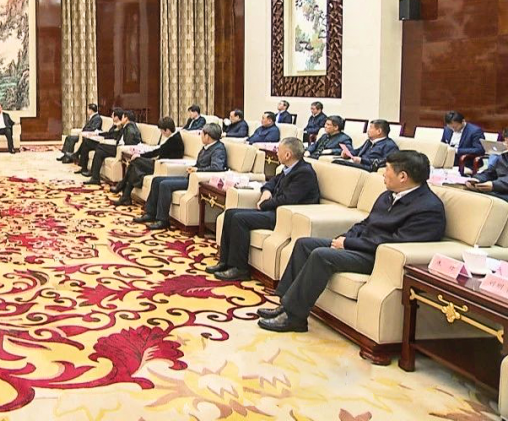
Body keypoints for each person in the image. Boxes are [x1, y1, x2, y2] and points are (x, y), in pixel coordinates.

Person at [259, 151, 445, 332]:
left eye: (387, 170)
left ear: (403, 176)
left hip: (378, 258)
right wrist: (345, 238)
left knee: (321, 255)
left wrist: (349, 244)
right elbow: (366, 223)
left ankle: (294, 318)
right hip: (360, 246)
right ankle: (285, 305)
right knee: (304, 244)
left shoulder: (428, 208)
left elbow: (395, 242)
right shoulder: (389, 194)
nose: (383, 174)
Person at [207, 138, 320, 281]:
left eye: (279, 150)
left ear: (288, 155)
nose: (276, 153)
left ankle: (240, 268)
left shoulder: (304, 173)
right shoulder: (289, 167)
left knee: (239, 219)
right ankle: (225, 262)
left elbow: (288, 199)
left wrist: (264, 204)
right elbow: (272, 181)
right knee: (230, 213)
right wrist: (266, 191)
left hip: (286, 217)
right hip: (275, 210)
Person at [136, 123, 228, 229]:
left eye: (202, 134)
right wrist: (193, 168)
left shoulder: (218, 149)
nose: (201, 136)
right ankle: (150, 214)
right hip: (190, 177)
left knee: (165, 185)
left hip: (197, 181)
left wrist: (198, 170)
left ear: (207, 136)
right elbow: (200, 164)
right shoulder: (207, 147)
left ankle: (163, 220)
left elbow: (216, 167)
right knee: (156, 180)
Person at [111, 117, 185, 207]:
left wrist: (140, 155)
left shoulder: (174, 140)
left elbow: (157, 152)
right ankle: (125, 196)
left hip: (163, 166)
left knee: (136, 161)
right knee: (134, 166)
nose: (161, 133)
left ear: (167, 130)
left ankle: (122, 188)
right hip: (159, 163)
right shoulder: (172, 137)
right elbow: (158, 151)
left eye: (162, 130)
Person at [83, 110, 141, 185]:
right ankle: (95, 177)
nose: (121, 119)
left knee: (100, 147)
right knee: (99, 151)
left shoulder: (130, 128)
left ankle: (94, 177)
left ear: (126, 118)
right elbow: (114, 134)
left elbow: (129, 142)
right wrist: (117, 126)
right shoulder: (127, 126)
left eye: (122, 117)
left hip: (122, 150)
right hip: (118, 148)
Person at [466, 133, 508, 202]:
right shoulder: (503, 156)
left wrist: (494, 185)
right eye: (506, 142)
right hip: (499, 189)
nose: (506, 145)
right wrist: (477, 179)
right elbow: (490, 172)